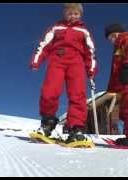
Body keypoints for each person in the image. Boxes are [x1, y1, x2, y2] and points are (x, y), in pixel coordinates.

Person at [29, 3, 97, 143]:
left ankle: (76, 128)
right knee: (49, 91)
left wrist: (91, 69)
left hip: (76, 62)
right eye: (69, 13)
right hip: (57, 60)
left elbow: (90, 52)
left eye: (76, 13)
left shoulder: (83, 30)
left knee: (77, 94)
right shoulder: (56, 27)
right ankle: (47, 123)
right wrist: (36, 61)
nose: (72, 16)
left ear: (80, 15)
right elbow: (44, 45)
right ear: (64, 13)